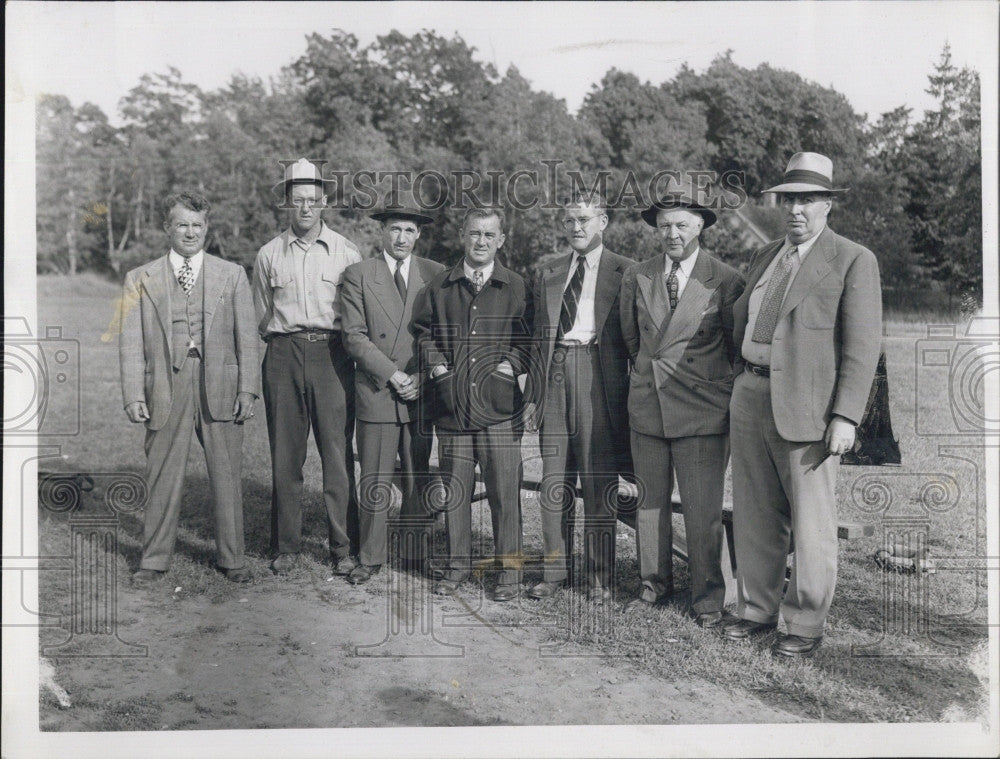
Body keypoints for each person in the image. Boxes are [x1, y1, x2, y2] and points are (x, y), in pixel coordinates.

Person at [723, 152, 882, 656]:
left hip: (810, 410)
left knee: (811, 524)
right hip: (750, 393)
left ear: (827, 206)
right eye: (788, 198)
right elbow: (741, 318)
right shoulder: (765, 255)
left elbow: (862, 347)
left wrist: (846, 415)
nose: (795, 209)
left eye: (807, 200)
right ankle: (756, 610)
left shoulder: (854, 259)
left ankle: (804, 624)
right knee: (753, 511)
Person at [619, 179, 745, 625]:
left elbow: (735, 347)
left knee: (701, 511)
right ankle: (652, 585)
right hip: (649, 410)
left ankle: (708, 599)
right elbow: (632, 341)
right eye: (665, 225)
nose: (672, 233)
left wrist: (712, 393)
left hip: (702, 413)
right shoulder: (639, 274)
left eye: (682, 225)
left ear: (701, 226)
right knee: (650, 504)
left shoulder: (726, 280)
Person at [119, 191, 258, 584]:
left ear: (207, 228)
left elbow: (247, 338)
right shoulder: (140, 278)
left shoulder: (231, 274)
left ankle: (233, 559)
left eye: (197, 225)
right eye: (182, 224)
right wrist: (133, 394)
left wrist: (247, 389)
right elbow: (130, 343)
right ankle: (154, 560)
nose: (190, 232)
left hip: (221, 383)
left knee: (227, 471)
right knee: (162, 471)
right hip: (166, 383)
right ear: (167, 228)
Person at [412, 207, 533, 602]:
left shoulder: (515, 286)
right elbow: (423, 334)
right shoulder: (440, 286)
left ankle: (510, 573)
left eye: (489, 235)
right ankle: (457, 567)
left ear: (500, 240)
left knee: (504, 490)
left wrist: (506, 367)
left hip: (499, 411)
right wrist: (439, 369)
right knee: (457, 491)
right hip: (453, 409)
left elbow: (527, 341)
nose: (480, 242)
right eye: (474, 234)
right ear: (462, 237)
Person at [252, 158, 362, 575]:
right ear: (286, 203)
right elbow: (262, 314)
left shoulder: (346, 251)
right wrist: (282, 344)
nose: (304, 208)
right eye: (297, 200)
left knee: (337, 455)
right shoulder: (268, 254)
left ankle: (343, 547)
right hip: (282, 353)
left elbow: (355, 313)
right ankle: (286, 546)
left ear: (324, 202)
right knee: (285, 456)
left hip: (332, 356)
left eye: (312, 200)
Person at [527, 191, 632, 602]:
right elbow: (537, 335)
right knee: (553, 480)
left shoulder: (626, 271)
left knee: (598, 478)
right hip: (554, 375)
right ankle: (554, 573)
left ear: (603, 222)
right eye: (570, 220)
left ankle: (600, 577)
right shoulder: (548, 271)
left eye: (584, 220)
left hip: (598, 376)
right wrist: (534, 394)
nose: (576, 227)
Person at [339, 192, 444, 584]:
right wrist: (393, 374)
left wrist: (419, 376)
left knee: (418, 477)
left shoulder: (435, 274)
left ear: (419, 236)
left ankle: (416, 556)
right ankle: (370, 556)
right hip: (378, 389)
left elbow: (440, 335)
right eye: (395, 229)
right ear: (382, 231)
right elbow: (353, 336)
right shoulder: (358, 275)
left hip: (419, 393)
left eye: (410, 230)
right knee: (376, 478)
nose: (402, 237)